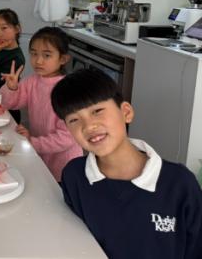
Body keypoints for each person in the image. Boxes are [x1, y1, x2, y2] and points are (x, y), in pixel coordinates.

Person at [51, 68, 202, 259]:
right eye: (74, 120)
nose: (88, 126)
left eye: (97, 111)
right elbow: (73, 236)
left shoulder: (179, 184)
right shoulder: (74, 175)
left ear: (126, 112)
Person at [0, 26, 82, 182]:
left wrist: (32, 142)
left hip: (64, 164)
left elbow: (67, 137)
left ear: (63, 59)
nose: (38, 61)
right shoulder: (33, 81)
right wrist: (12, 87)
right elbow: (9, 104)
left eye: (47, 55)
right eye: (34, 54)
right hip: (39, 154)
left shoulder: (68, 90)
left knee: (56, 194)